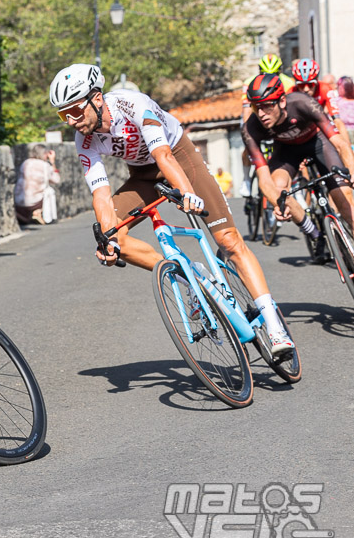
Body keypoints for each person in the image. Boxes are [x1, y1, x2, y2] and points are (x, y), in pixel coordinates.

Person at [49, 63, 295, 355]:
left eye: (75, 111)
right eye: (64, 115)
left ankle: (274, 325)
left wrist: (188, 193)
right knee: (113, 234)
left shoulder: (132, 104)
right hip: (143, 175)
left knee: (228, 240)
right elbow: (101, 196)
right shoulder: (84, 139)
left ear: (97, 98)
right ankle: (189, 277)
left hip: (179, 158)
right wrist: (108, 238)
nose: (71, 121)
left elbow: (163, 154)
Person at [242, 73, 354, 263]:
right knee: (279, 192)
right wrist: (277, 202)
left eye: (267, 106)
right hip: (286, 151)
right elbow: (264, 179)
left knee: (344, 198)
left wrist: (351, 171)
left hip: (318, 143)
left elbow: (341, 144)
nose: (261, 114)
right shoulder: (250, 128)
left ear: (282, 101)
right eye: (255, 107)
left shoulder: (303, 103)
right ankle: (315, 234)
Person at [240, 54, 295, 196]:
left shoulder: (288, 83)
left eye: (275, 74)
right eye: (265, 74)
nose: (270, 77)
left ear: (280, 72)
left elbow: (288, 109)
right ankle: (246, 179)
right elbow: (247, 110)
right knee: (248, 142)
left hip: (276, 118)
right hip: (255, 115)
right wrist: (248, 133)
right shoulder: (249, 82)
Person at [291, 58, 353, 150]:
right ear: (296, 84)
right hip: (300, 133)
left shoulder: (325, 89)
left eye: (311, 84)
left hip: (319, 130)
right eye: (301, 85)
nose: (306, 89)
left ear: (317, 81)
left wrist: (347, 148)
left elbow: (337, 121)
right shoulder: (291, 92)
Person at [14, 144, 60, 225]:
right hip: (34, 203)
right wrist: (52, 162)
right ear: (44, 154)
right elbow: (57, 180)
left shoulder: (25, 163)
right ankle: (40, 213)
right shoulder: (45, 165)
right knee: (50, 191)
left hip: (18, 202)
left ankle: (25, 215)